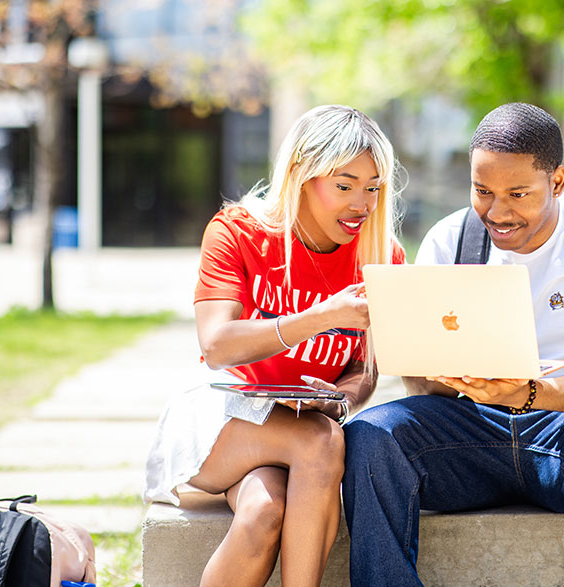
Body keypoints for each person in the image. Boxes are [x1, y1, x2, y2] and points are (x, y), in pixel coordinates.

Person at [342, 102, 564, 587]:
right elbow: (420, 383)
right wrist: (449, 373)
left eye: (518, 193)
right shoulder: (450, 240)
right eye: (482, 191)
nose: (497, 212)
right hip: (473, 433)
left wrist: (531, 393)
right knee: (371, 434)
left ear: (557, 181)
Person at [144, 104, 405, 587]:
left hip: (301, 424)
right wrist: (318, 317)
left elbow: (364, 368)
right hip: (224, 413)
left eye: (372, 188)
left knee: (264, 511)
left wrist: (340, 398)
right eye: (344, 185)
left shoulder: (381, 255)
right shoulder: (238, 232)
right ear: (302, 174)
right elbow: (217, 344)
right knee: (322, 444)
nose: (361, 204)